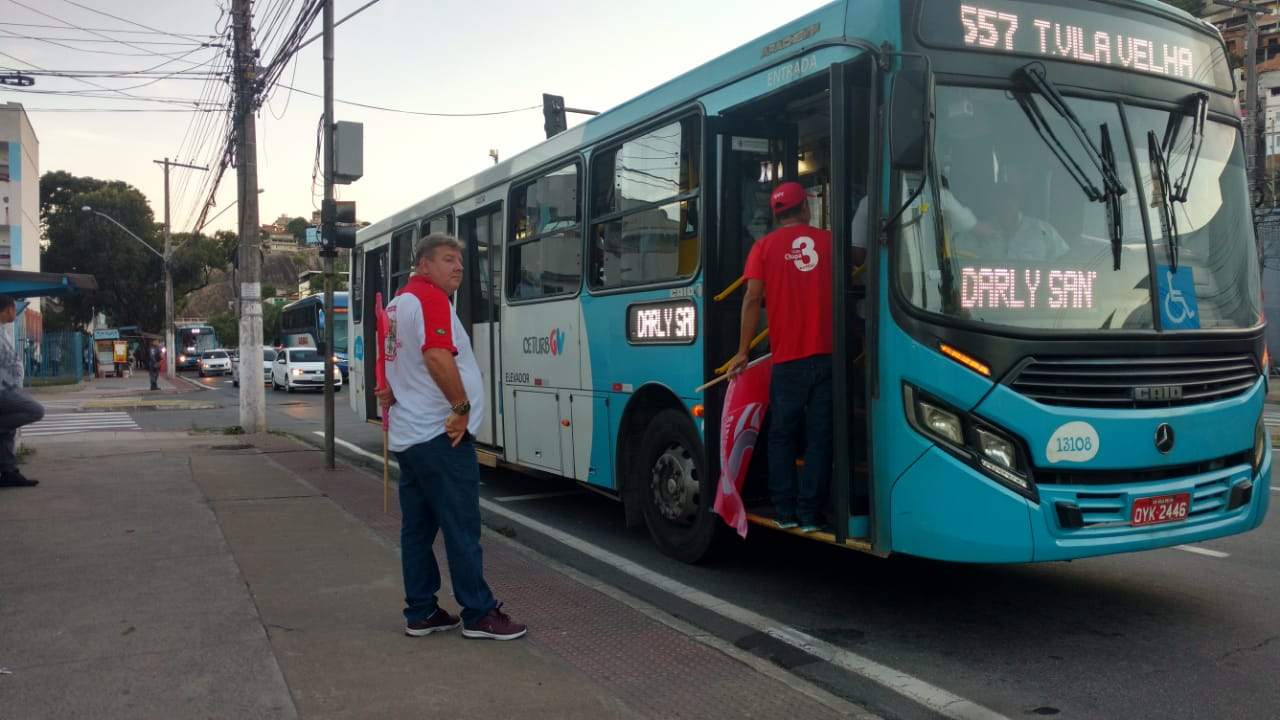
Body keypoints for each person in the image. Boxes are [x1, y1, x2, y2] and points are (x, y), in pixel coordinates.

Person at [375, 234, 527, 641]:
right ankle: (478, 613)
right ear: (424, 266)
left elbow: (393, 366)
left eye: (460, 260)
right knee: (462, 527)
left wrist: (393, 392)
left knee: (418, 532)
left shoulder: (396, 304)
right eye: (447, 259)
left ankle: (422, 611)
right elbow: (437, 356)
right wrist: (461, 409)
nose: (458, 266)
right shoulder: (429, 299)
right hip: (441, 438)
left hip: (411, 438)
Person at [727, 182, 833, 533]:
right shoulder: (829, 242)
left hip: (787, 360)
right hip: (828, 356)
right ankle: (811, 514)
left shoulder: (763, 247)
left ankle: (785, 512)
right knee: (820, 438)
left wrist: (743, 351)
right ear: (805, 209)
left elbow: (752, 298)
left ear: (775, 215)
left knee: (782, 436)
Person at [0, 296, 44, 487]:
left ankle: (8, 472)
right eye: (13, 310)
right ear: (6, 309)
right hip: (3, 389)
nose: (14, 314)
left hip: (8, 386)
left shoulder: (4, 330)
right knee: (35, 410)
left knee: (8, 429)